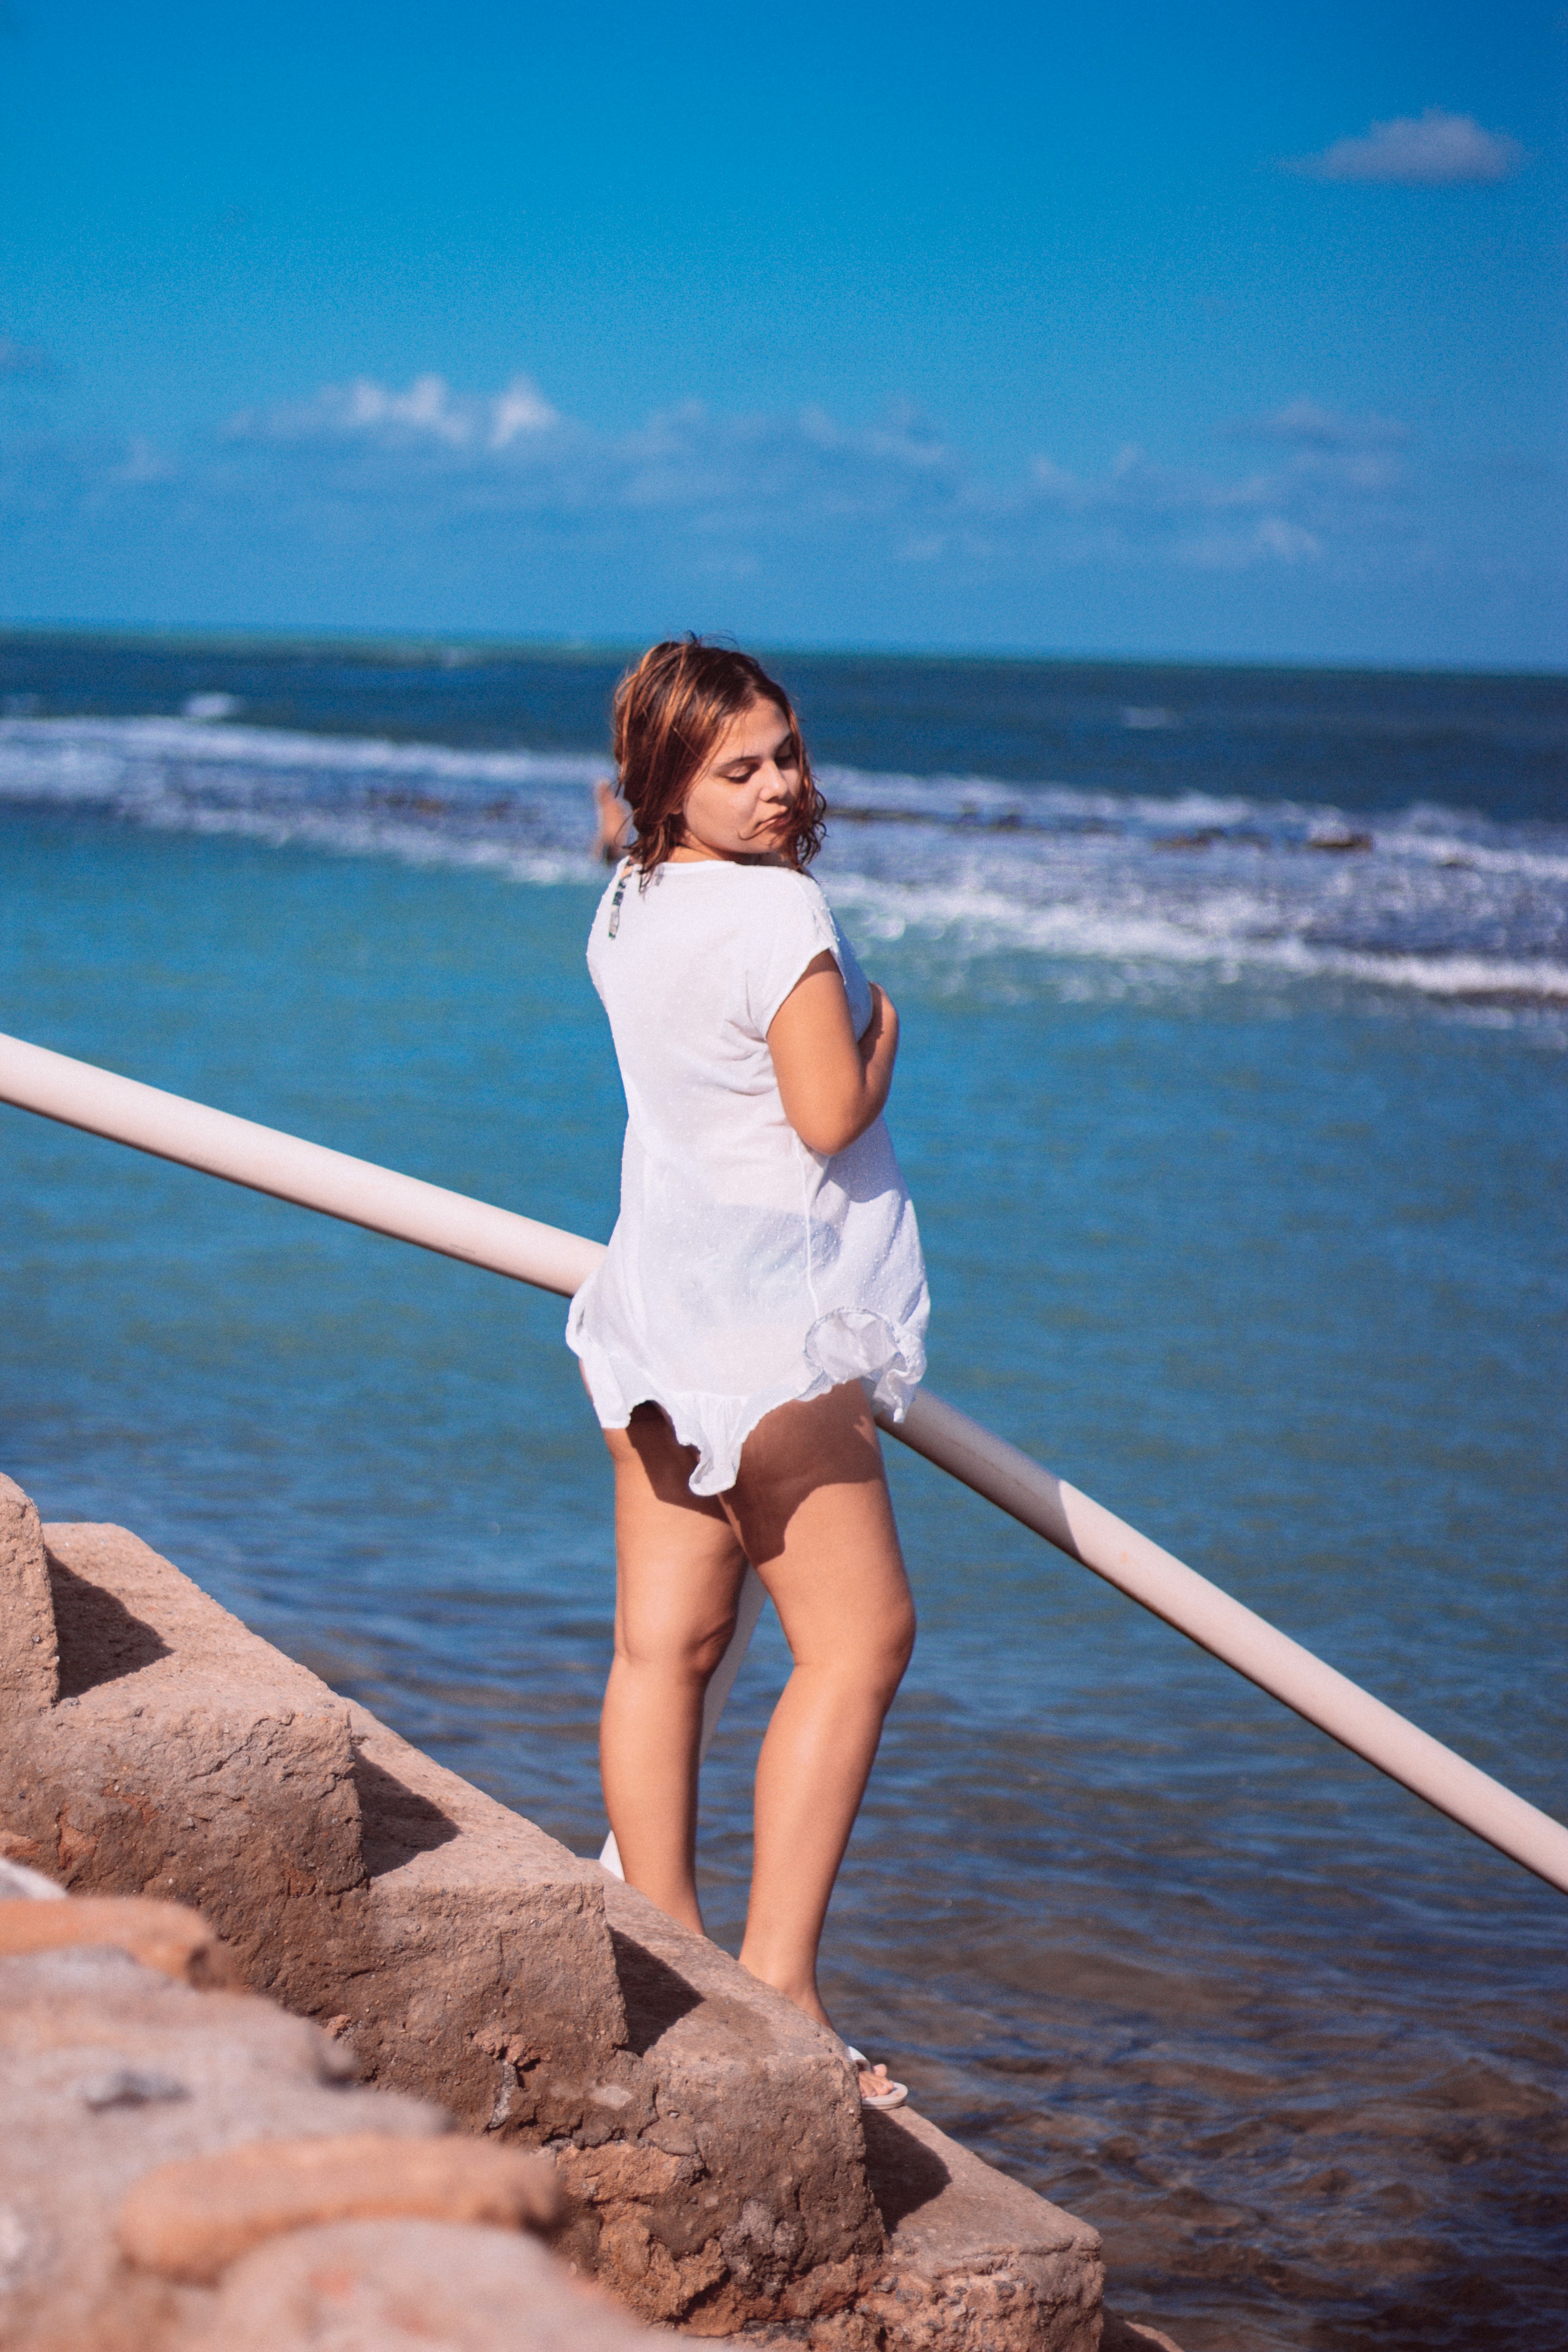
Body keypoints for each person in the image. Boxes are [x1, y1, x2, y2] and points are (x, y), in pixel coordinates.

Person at [567, 638, 929, 2109]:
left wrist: (641, 805)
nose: (783, 787)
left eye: (786, 753)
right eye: (743, 767)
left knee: (668, 1651)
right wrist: (883, 1030)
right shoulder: (784, 912)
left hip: (654, 1319)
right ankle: (777, 1981)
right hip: (770, 1338)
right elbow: (829, 1112)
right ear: (671, 784)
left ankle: (660, 1944)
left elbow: (614, 824)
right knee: (861, 1642)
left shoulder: (629, 892)